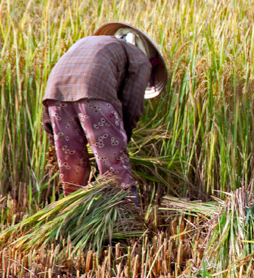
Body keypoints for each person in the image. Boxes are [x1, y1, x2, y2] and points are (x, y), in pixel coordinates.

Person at [41, 22, 168, 204]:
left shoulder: (89, 43)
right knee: (115, 172)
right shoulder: (140, 59)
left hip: (55, 96)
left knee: (73, 171)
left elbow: (56, 86)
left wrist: (51, 130)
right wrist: (122, 137)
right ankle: (127, 220)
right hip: (94, 96)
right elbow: (132, 105)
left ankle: (74, 215)